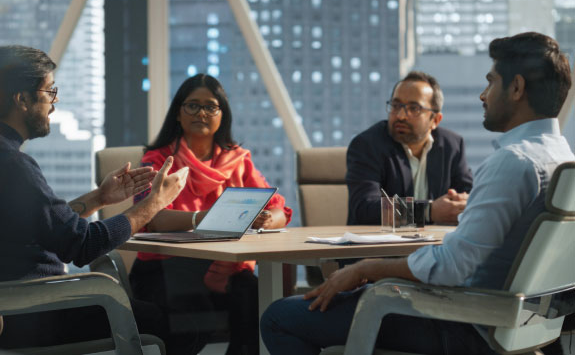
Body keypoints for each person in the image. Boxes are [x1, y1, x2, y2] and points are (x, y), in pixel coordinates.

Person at [261, 32, 574, 355]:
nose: (483, 95)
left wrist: (366, 269)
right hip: (524, 325)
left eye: (491, 82)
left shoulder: (512, 162)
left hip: (466, 322)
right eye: (396, 106)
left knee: (278, 317)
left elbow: (451, 266)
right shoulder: (564, 159)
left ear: (517, 88)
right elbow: (366, 207)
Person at [0, 46, 188, 350]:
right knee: (172, 322)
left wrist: (100, 198)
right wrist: (154, 203)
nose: (55, 102)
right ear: (21, 99)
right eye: (50, 91)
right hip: (31, 314)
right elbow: (83, 245)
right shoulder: (9, 163)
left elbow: (45, 226)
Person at [129, 74, 292, 355]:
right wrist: (207, 217)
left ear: (222, 116)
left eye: (210, 106)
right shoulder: (157, 160)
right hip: (165, 269)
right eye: (192, 105)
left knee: (256, 299)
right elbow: (153, 216)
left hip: (223, 267)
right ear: (178, 114)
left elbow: (279, 208)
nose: (201, 113)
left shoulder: (237, 160)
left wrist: (268, 219)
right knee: (195, 314)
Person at [346, 71, 473, 225]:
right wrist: (427, 211)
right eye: (396, 105)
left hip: (438, 244)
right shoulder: (367, 145)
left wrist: (462, 202)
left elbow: (470, 196)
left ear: (435, 120)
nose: (400, 115)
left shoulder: (452, 146)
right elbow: (364, 209)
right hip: (382, 247)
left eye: (414, 108)